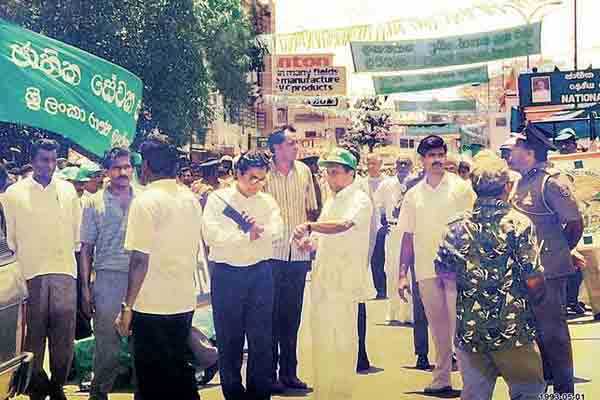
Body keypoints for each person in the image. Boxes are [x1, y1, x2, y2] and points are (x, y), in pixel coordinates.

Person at [435, 151, 547, 400]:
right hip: (514, 330)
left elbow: (443, 273)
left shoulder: (455, 227)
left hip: (471, 332)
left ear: (474, 188)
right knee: (529, 393)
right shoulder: (518, 224)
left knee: (475, 394)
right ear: (507, 187)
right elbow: (534, 280)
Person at [114, 134, 203, 400]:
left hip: (151, 305)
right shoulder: (190, 198)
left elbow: (140, 260)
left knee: (150, 382)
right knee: (179, 373)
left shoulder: (145, 202)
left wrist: (127, 307)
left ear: (146, 166)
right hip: (183, 300)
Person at [397, 135, 476, 394]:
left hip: (457, 269)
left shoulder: (461, 188)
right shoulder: (413, 195)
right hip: (426, 270)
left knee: (461, 327)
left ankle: (472, 383)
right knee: (438, 328)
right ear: (422, 160)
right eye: (431, 156)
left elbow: (474, 226)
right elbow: (407, 236)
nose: (437, 160)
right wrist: (402, 274)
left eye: (441, 154)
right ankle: (442, 379)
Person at [3, 139, 81, 400]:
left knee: (63, 338)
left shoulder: (68, 191)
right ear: (33, 161)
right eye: (43, 160)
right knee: (32, 338)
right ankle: (36, 387)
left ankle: (57, 386)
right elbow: (11, 241)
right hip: (29, 275)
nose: (49, 165)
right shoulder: (14, 195)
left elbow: (76, 236)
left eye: (53, 160)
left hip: (64, 273)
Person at [292, 147, 372, 400]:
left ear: (351, 173)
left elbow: (343, 225)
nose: (329, 177)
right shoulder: (331, 200)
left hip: (344, 281)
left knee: (342, 340)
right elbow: (322, 238)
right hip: (324, 278)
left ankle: (340, 394)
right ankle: (324, 393)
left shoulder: (359, 199)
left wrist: (310, 226)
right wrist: (309, 242)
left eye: (335, 172)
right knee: (322, 338)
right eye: (327, 172)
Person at [202, 151, 284, 400]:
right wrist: (246, 236)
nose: (256, 184)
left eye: (262, 179)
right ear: (238, 174)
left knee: (261, 339)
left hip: (260, 273)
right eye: (252, 178)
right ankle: (234, 393)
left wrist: (260, 231)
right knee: (229, 339)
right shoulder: (218, 199)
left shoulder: (267, 201)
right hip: (227, 274)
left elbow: (277, 230)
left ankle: (259, 393)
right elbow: (212, 235)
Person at [510, 124, 583, 394]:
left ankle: (565, 393)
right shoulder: (522, 181)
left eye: (516, 148)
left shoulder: (550, 182)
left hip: (549, 272)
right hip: (527, 271)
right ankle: (547, 386)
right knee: (537, 335)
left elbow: (574, 223)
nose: (511, 153)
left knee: (554, 335)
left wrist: (560, 250)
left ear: (529, 153)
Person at [263, 125, 318, 392]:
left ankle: (289, 373)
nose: (296, 147)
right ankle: (269, 374)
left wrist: (310, 237)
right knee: (270, 317)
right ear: (276, 148)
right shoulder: (263, 174)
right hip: (270, 255)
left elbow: (312, 210)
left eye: (297, 143)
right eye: (291, 143)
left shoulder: (305, 172)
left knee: (292, 317)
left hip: (297, 255)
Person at [80, 148, 137, 400]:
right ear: (107, 171)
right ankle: (99, 393)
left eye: (127, 166)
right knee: (107, 348)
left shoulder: (144, 198)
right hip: (107, 279)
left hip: (141, 277)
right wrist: (85, 287)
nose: (123, 172)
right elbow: (86, 249)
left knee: (143, 344)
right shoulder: (93, 202)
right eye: (117, 167)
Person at [554, 128, 587, 316]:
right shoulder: (555, 165)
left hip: (587, 218)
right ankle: (571, 301)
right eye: (561, 144)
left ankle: (577, 300)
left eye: (567, 143)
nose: (564, 147)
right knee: (571, 263)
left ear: (575, 143)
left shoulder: (588, 160)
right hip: (567, 221)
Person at [359, 153, 387, 300]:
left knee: (387, 259)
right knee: (376, 260)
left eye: (374, 163)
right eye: (368, 163)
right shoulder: (362, 184)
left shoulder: (388, 182)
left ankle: (390, 287)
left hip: (386, 227)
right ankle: (380, 289)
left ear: (380, 164)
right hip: (370, 227)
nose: (371, 167)